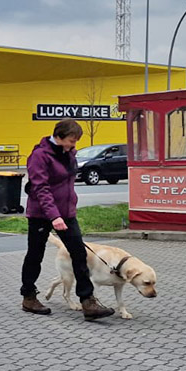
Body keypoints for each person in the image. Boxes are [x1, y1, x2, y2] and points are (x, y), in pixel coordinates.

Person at [20, 119, 114, 320]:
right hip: (41, 214)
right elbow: (41, 188)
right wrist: (54, 216)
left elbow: (67, 183)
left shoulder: (69, 153)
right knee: (35, 255)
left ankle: (88, 301)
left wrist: (69, 208)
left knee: (79, 254)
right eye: (72, 140)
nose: (74, 145)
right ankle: (28, 296)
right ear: (59, 136)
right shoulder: (39, 156)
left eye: (76, 141)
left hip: (67, 213)